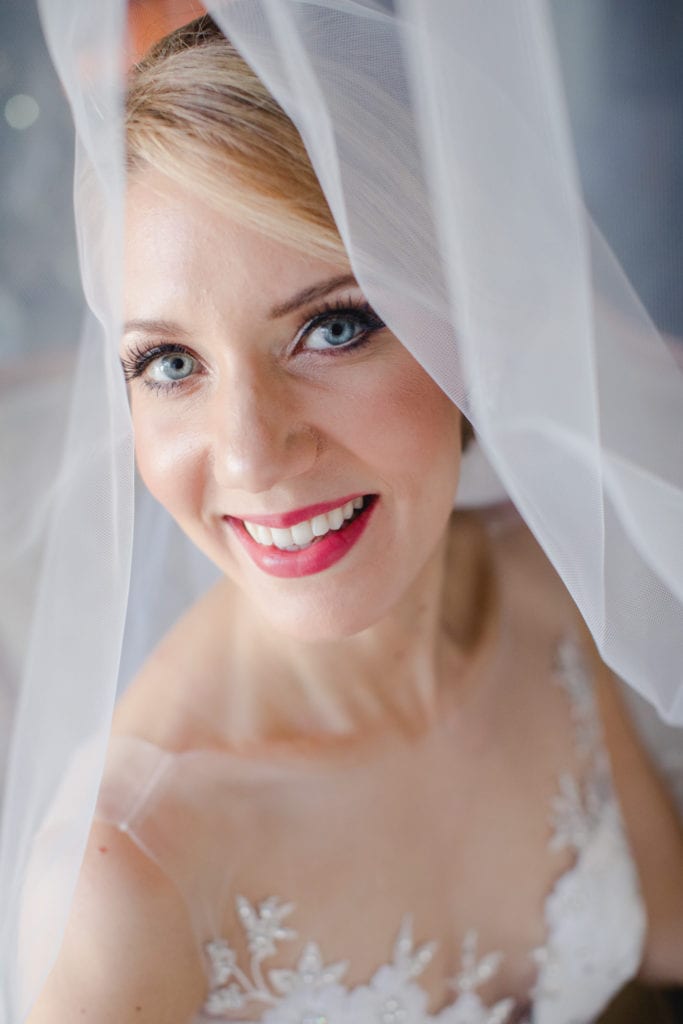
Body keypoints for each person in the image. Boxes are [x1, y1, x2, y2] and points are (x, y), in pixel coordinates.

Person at [5, 7, 683, 1024]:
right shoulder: (125, 876)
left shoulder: (548, 591)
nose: (248, 451)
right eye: (169, 362)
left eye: (332, 325)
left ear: (471, 320)